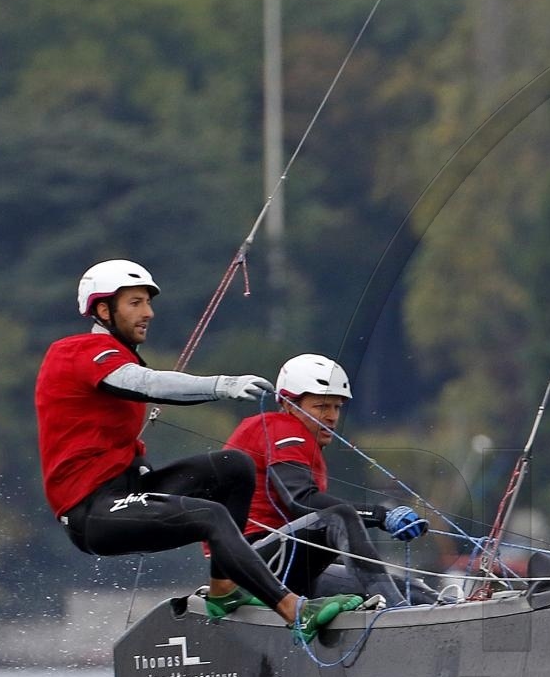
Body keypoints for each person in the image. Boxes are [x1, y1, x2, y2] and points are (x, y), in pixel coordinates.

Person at [36, 259, 362, 642]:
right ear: (103, 310)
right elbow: (145, 383)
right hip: (92, 513)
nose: (148, 313)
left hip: (128, 490)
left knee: (234, 467)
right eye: (135, 303)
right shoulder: (77, 351)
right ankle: (294, 610)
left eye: (148, 302)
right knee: (210, 515)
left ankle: (224, 589)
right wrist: (222, 385)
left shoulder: (114, 355)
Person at [224, 353, 431, 607]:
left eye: (337, 407)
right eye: (322, 407)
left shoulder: (299, 442)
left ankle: (442, 609)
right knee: (339, 516)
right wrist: (380, 515)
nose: (332, 416)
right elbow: (301, 501)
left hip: (280, 564)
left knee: (411, 589)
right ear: (289, 404)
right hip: (247, 566)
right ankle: (397, 610)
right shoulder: (280, 427)